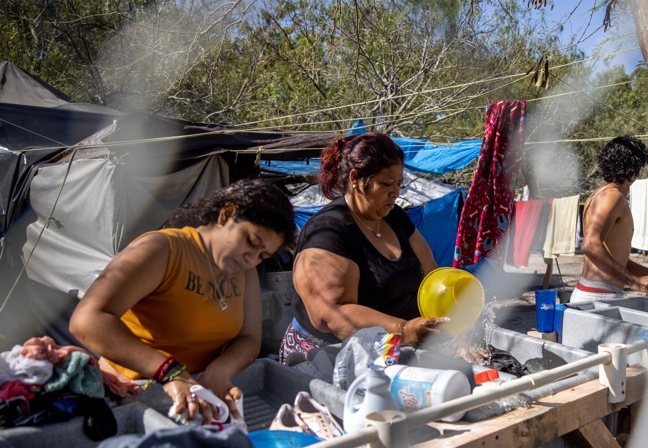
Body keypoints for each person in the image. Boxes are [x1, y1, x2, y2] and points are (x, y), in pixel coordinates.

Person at [70, 178, 296, 422]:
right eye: (251, 242)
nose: (252, 259)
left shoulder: (245, 272)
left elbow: (249, 338)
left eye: (263, 255)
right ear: (226, 214)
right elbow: (87, 320)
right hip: (130, 395)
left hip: (194, 397)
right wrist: (169, 372)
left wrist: (220, 371)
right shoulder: (162, 249)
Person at [280, 132, 448, 363]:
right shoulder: (328, 232)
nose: (396, 192)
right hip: (329, 357)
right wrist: (404, 330)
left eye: (399, 183)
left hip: (397, 347)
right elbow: (333, 313)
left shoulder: (395, 217)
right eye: (386, 184)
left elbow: (430, 273)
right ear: (356, 179)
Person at [569, 136, 648, 304]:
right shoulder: (613, 197)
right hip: (599, 296)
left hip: (594, 293)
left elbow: (614, 259)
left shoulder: (599, 195)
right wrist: (633, 281)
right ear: (633, 171)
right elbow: (590, 245)